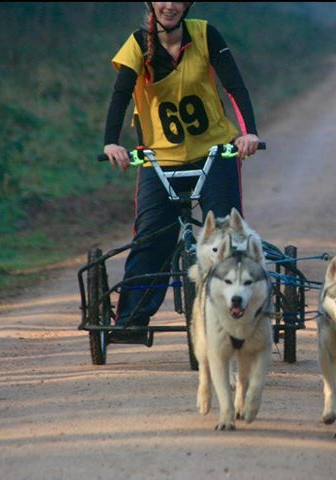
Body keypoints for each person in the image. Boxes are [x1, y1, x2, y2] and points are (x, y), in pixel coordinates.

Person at [102, 1, 262, 343]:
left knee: (227, 237)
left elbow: (235, 87)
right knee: (151, 237)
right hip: (160, 159)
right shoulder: (136, 44)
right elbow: (120, 96)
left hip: (214, 152)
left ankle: (234, 316)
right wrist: (111, 143)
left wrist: (248, 132)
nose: (169, 5)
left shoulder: (205, 34)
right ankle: (132, 319)